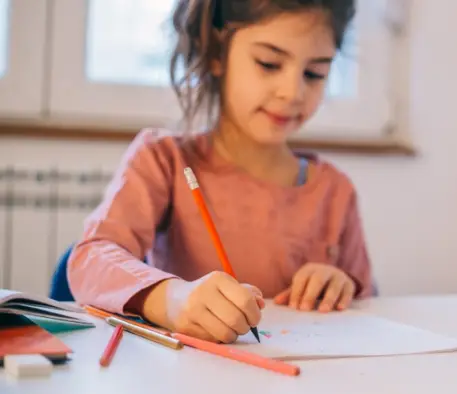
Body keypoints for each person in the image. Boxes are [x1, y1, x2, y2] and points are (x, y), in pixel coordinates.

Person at [68, 0, 375, 344]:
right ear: (215, 53)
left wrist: (340, 285)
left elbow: (371, 301)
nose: (293, 92)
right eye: (269, 64)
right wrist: (170, 299)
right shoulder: (165, 159)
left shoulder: (335, 190)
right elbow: (89, 260)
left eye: (314, 73)